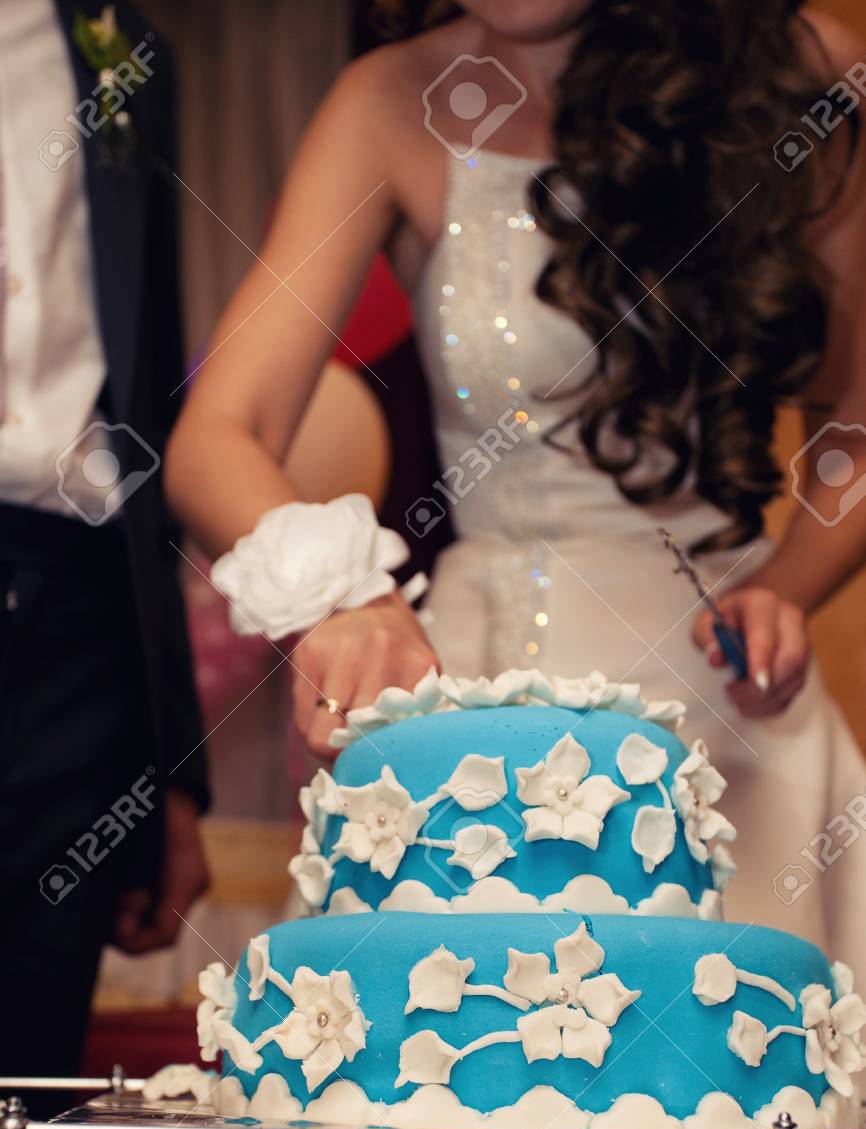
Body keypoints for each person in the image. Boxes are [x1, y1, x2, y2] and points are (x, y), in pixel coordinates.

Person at [164, 2, 866, 981]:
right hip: (467, 704)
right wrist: (347, 597)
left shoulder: (805, 67)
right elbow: (214, 435)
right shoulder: (386, 100)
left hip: (732, 714)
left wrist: (786, 587)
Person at [0, 0, 209, 1101]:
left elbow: (148, 408)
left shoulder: (125, 56)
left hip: (78, 610)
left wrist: (171, 773)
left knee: (28, 1077)